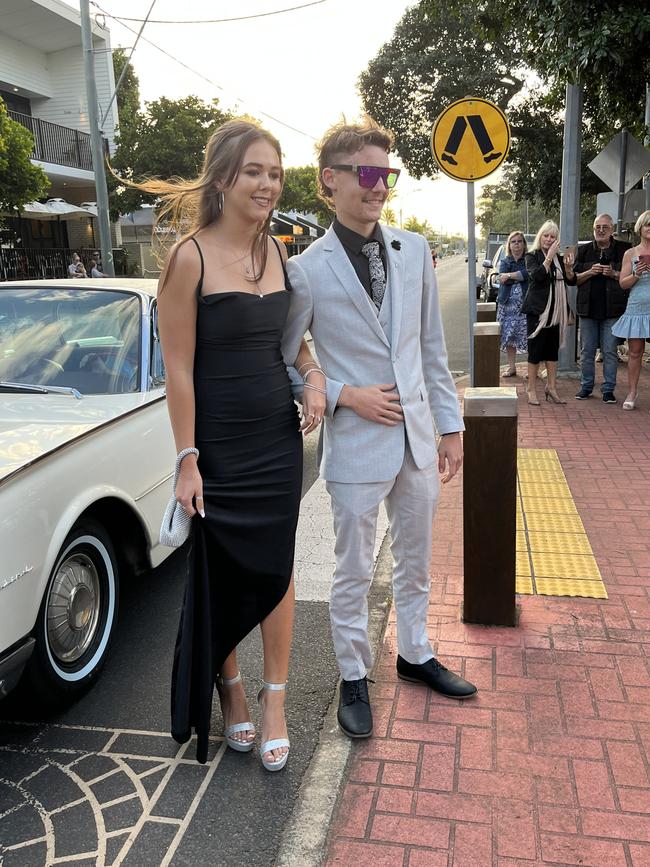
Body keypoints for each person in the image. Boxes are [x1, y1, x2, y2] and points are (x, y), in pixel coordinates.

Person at [282, 119, 477, 741]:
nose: (380, 187)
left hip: (419, 438)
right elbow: (288, 358)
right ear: (329, 182)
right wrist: (344, 395)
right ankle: (352, 675)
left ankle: (415, 654)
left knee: (415, 560)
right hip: (357, 443)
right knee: (355, 568)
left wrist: (450, 426)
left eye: (387, 175)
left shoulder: (414, 249)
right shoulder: (306, 269)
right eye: (367, 174)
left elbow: (428, 345)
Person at [151, 120, 325, 770]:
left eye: (274, 173)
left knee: (277, 569)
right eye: (255, 170)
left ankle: (274, 695)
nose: (267, 183)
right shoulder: (188, 257)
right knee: (221, 573)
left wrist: (313, 374)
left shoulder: (277, 252)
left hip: (276, 444)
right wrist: (186, 459)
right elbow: (178, 370)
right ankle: (230, 688)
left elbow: (291, 339)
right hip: (217, 448)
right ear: (223, 176)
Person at [573, 214, 631, 403]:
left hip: (612, 310)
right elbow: (573, 279)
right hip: (587, 309)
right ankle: (586, 387)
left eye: (605, 227)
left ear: (612, 229)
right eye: (597, 226)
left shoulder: (624, 250)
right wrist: (590, 271)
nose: (601, 230)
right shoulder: (583, 251)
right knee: (587, 351)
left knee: (609, 351)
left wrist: (613, 273)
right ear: (593, 229)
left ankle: (608, 390)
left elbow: (631, 278)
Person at [522, 220, 576, 405]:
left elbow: (571, 281)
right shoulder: (532, 256)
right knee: (535, 351)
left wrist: (568, 269)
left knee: (552, 352)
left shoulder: (559, 259)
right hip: (538, 311)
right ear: (540, 236)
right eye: (546, 235)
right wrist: (548, 257)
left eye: (553, 237)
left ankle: (551, 388)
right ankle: (531, 389)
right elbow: (537, 276)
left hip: (556, 311)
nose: (549, 239)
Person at [612, 210, 650, 411]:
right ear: (640, 229)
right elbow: (623, 284)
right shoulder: (631, 253)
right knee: (635, 352)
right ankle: (632, 392)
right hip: (637, 306)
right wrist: (636, 273)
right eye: (647, 225)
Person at [497, 231, 529, 377]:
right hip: (507, 305)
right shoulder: (505, 261)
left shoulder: (529, 260)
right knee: (509, 336)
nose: (516, 244)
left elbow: (528, 275)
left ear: (524, 244)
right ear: (509, 245)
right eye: (513, 241)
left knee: (528, 335)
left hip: (525, 305)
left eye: (519, 241)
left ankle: (531, 369)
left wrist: (510, 275)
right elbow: (502, 279)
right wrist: (518, 276)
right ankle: (511, 367)